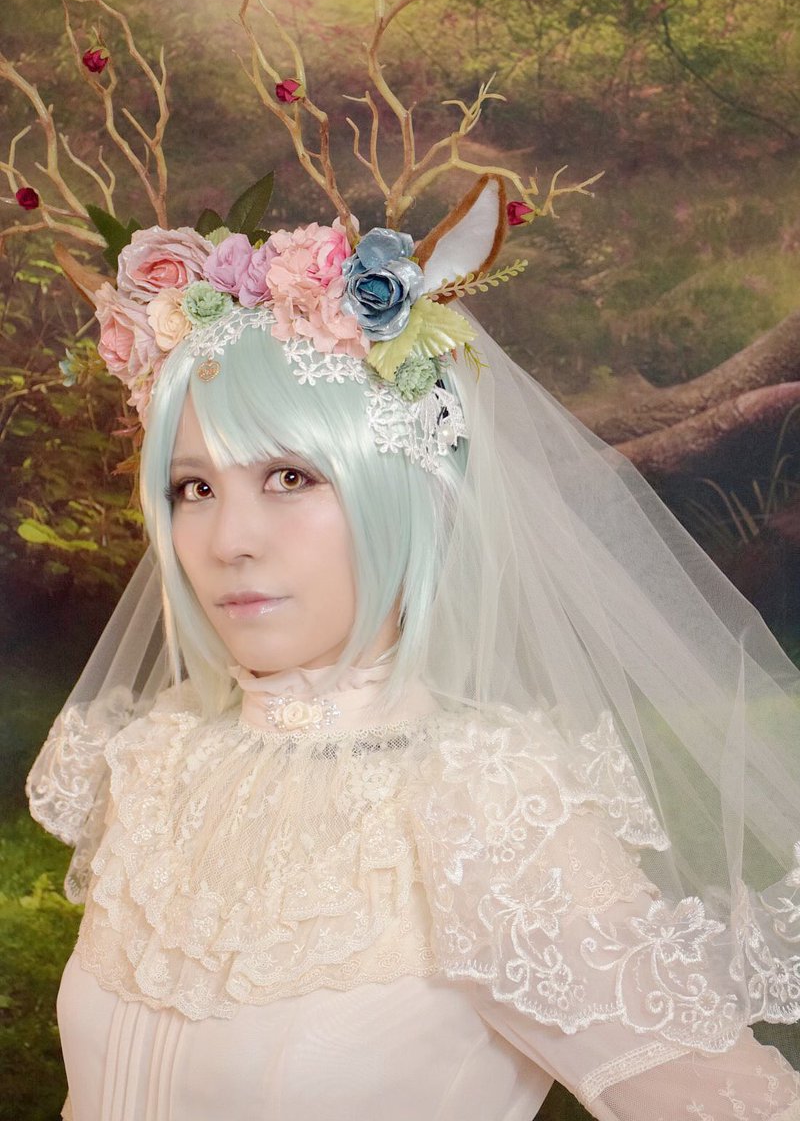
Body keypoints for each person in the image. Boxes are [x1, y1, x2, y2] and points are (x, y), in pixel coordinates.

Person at [25, 180, 800, 1117]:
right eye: (194, 488)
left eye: (289, 476)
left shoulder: (486, 811)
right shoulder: (160, 758)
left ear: (404, 489)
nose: (229, 540)